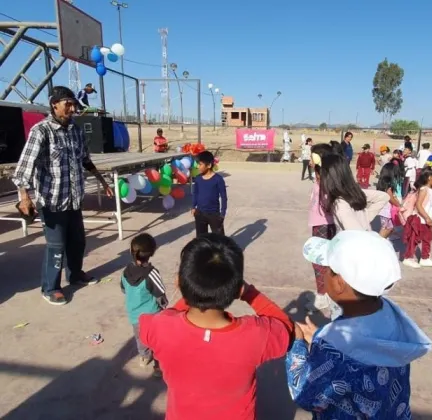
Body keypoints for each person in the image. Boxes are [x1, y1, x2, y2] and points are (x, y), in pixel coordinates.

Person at [139, 234, 293, 419]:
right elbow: (287, 327)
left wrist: (193, 293)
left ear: (179, 283)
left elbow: (161, 318)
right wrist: (249, 293)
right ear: (237, 290)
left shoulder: (160, 326)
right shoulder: (257, 335)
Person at [287, 230, 432, 418]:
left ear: (339, 283)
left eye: (326, 269)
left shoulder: (338, 350)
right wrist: (320, 337)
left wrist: (298, 345)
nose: (322, 274)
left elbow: (306, 395)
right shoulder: (389, 314)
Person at [12, 86, 113, 306]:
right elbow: (24, 168)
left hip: (73, 199)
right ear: (54, 104)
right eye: (67, 103)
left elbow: (85, 159)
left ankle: (75, 275)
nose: (71, 107)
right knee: (56, 246)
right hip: (52, 202)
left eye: (73, 103)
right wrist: (25, 197)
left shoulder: (76, 130)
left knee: (77, 241)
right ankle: (51, 287)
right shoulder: (41, 131)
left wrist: (103, 181)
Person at [121, 233, 167, 376]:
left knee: (140, 337)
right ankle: (158, 367)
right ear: (152, 253)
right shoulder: (152, 273)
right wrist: (164, 306)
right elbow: (160, 295)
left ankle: (144, 356)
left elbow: (123, 289)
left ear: (131, 251)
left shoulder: (125, 272)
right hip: (152, 314)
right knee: (158, 339)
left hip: (134, 314)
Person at [319, 153, 389, 231]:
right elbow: (384, 197)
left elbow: (356, 234)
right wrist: (365, 219)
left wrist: (366, 218)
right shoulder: (353, 192)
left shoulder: (340, 203)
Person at [307, 143, 337, 311]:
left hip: (323, 224)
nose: (309, 160)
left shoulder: (325, 178)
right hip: (319, 223)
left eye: (311, 157)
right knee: (322, 259)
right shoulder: (319, 176)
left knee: (318, 259)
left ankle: (322, 296)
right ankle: (326, 293)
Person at [402, 167, 432, 268]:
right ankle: (408, 258)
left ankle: (425, 258)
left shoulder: (430, 190)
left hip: (426, 220)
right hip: (420, 220)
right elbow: (418, 205)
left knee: (428, 238)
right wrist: (427, 217)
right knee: (414, 240)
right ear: (429, 178)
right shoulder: (424, 189)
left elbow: (427, 203)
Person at [192, 151, 227, 236]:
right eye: (197, 164)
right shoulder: (198, 178)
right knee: (201, 239)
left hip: (214, 214)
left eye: (200, 164)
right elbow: (195, 193)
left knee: (219, 239)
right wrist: (193, 207)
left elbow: (223, 197)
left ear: (209, 165)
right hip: (200, 213)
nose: (197, 166)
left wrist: (222, 214)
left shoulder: (218, 179)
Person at [377, 164, 403, 239]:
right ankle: (379, 241)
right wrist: (398, 204)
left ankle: (382, 240)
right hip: (386, 210)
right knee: (385, 228)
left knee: (389, 227)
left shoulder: (383, 182)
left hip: (385, 209)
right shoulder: (388, 184)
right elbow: (390, 197)